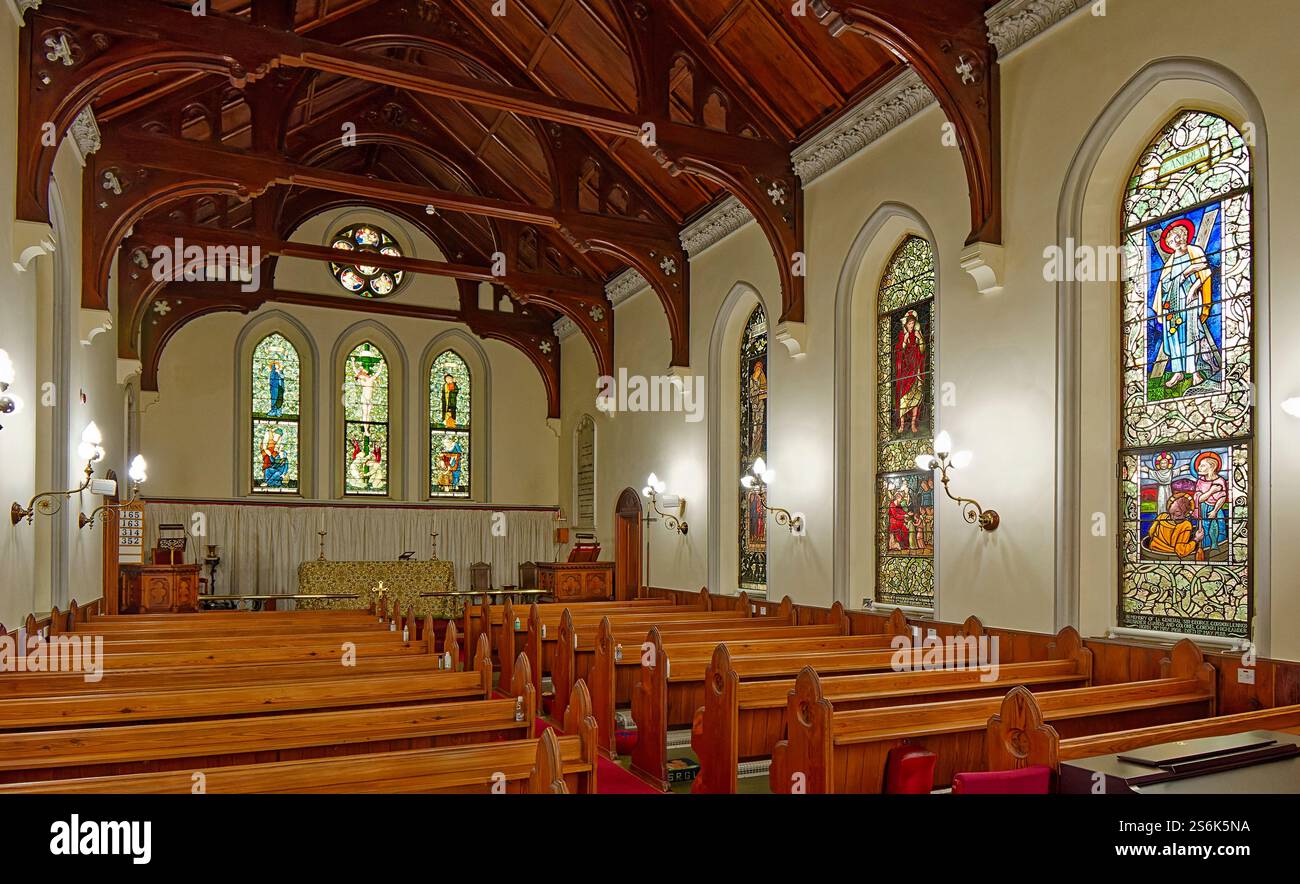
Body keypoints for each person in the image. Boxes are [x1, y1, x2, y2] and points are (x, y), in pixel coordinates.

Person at [1153, 219, 1214, 389]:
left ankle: (1194, 372)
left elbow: (1204, 271)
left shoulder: (1195, 251)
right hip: (1172, 305)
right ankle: (1178, 372)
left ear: (1185, 235)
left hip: (1190, 300)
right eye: (1172, 241)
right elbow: (1163, 284)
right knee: (1173, 338)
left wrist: (1193, 288)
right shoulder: (1170, 262)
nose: (1176, 242)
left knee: (1190, 335)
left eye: (1179, 237)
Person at [895, 309, 925, 433]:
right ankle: (901, 425)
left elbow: (922, 351)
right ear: (905, 325)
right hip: (904, 373)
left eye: (913, 323)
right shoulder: (903, 336)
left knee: (915, 398)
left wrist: (921, 340)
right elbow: (899, 352)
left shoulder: (918, 335)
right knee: (903, 399)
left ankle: (913, 424)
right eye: (909, 324)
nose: (911, 326)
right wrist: (904, 341)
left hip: (915, 369)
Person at [1192, 451, 1229, 552]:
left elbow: (1222, 497)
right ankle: (1206, 550)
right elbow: (1199, 499)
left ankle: (1219, 550)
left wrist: (1215, 511)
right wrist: (1211, 491)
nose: (1199, 467)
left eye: (1203, 465)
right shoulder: (1200, 481)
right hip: (1203, 508)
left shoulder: (1220, 481)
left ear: (1212, 467)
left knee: (1219, 527)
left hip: (1216, 509)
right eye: (1199, 465)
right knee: (1204, 529)